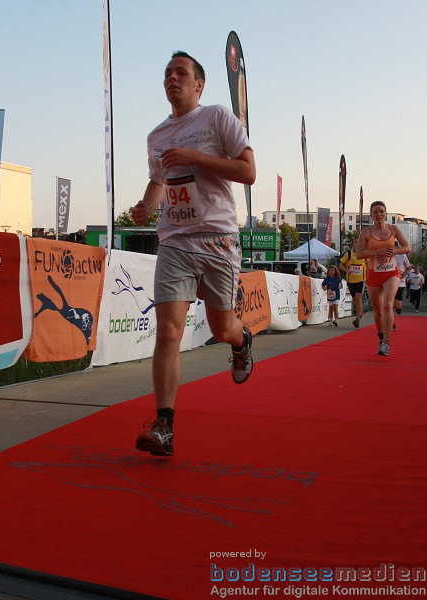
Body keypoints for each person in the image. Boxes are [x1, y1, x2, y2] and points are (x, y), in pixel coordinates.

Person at [129, 51, 256, 457]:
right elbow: (159, 183)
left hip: (217, 238)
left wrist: (195, 157)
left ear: (198, 84)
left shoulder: (217, 117)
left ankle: (241, 340)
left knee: (221, 328)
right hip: (176, 241)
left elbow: (248, 171)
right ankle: (164, 425)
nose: (172, 78)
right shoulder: (156, 136)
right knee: (168, 330)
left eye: (181, 72)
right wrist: (146, 205)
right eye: (167, 73)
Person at [355, 200, 411, 356]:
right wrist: (376, 252)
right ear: (371, 215)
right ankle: (380, 335)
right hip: (374, 274)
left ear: (386, 213)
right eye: (375, 212)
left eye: (381, 211)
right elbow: (359, 254)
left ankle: (386, 342)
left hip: (391, 273)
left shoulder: (393, 229)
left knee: (387, 304)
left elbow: (407, 248)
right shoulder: (366, 232)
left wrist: (394, 251)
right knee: (378, 310)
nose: (379, 214)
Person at [338, 245, 366, 327]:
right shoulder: (348, 254)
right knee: (354, 299)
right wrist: (347, 270)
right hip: (351, 280)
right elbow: (340, 265)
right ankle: (359, 311)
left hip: (361, 280)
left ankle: (357, 319)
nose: (357, 244)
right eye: (355, 242)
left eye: (359, 242)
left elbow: (369, 264)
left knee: (358, 298)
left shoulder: (364, 254)